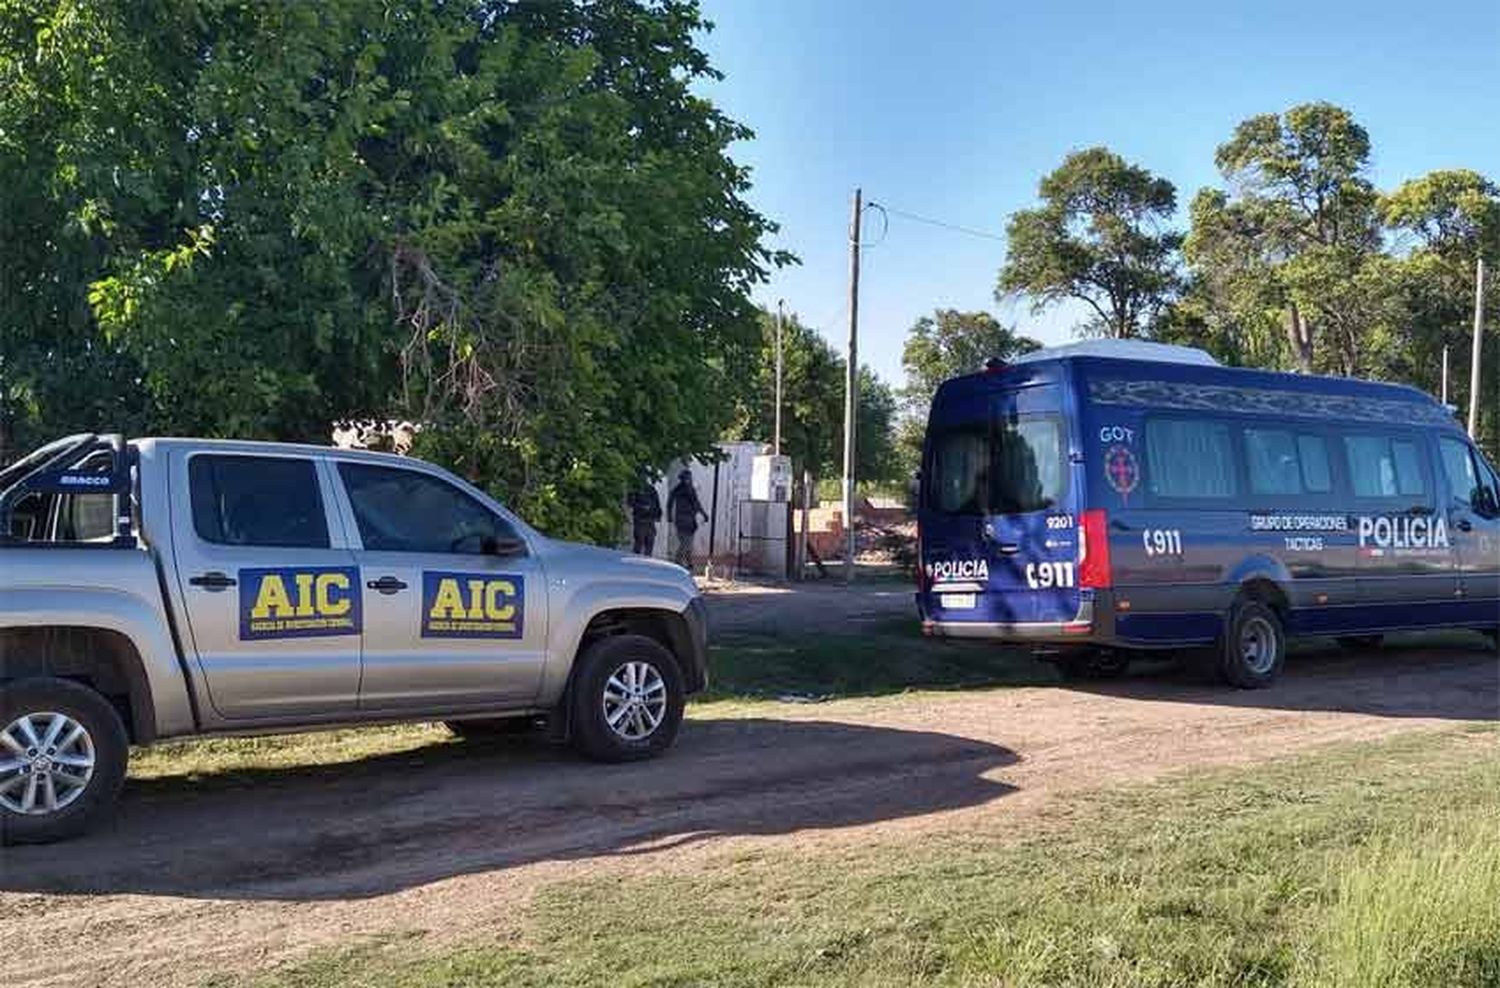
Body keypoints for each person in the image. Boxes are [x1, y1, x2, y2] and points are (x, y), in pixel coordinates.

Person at [666, 468, 709, 570]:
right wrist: (669, 516)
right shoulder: (678, 489)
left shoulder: (691, 489)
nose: (688, 480)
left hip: (690, 521)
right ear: (682, 479)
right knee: (685, 543)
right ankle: (678, 562)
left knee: (688, 544)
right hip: (681, 520)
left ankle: (688, 563)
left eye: (689, 478)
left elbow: (696, 503)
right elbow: (669, 503)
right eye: (686, 478)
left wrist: (703, 514)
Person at [626, 474, 663, 556]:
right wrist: (642, 507)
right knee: (639, 542)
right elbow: (630, 503)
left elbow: (657, 504)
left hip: (650, 520)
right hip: (640, 520)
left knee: (650, 542)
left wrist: (658, 515)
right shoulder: (634, 489)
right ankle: (636, 561)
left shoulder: (651, 489)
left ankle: (647, 563)